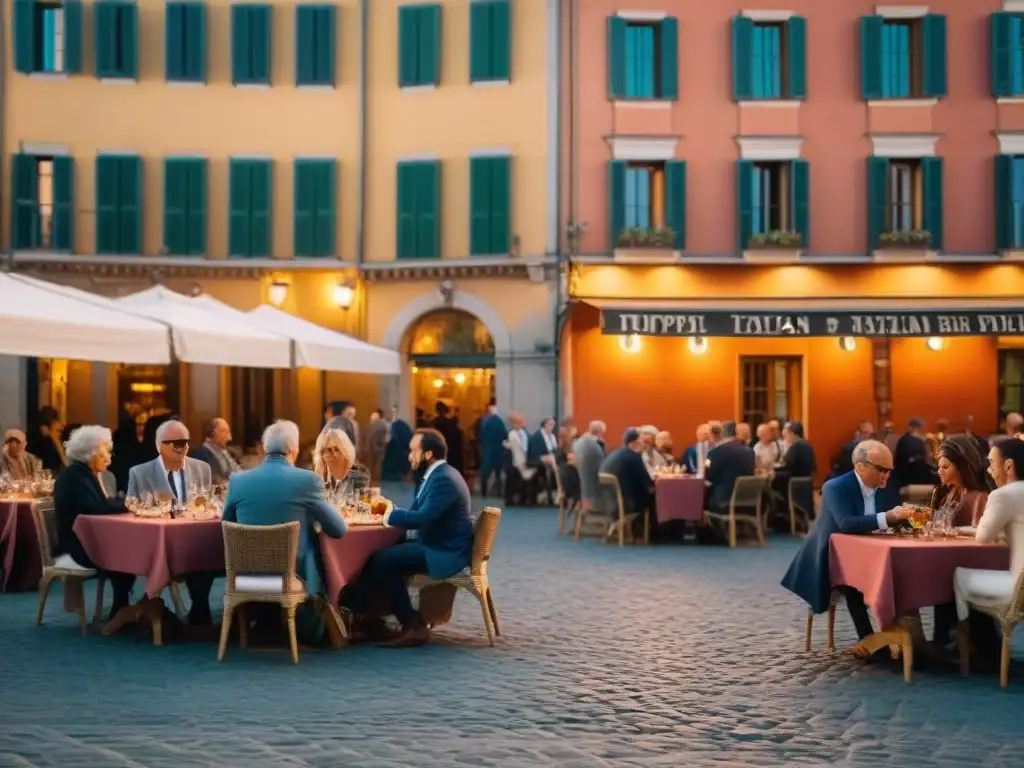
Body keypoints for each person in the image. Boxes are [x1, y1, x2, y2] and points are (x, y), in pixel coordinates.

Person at [222, 420, 348, 646]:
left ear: (264, 448)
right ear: (293, 449)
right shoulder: (307, 480)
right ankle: (312, 625)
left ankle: (261, 620)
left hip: (245, 573)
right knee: (310, 550)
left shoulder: (238, 481)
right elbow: (338, 529)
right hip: (291, 575)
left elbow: (226, 523)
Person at [345, 429, 474, 648]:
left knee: (383, 559)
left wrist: (388, 514)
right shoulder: (437, 474)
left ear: (428, 454)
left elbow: (423, 518)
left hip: (442, 550)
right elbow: (419, 514)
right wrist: (390, 510)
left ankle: (411, 624)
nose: (409, 456)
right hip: (435, 543)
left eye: (414, 451)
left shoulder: (444, 479)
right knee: (381, 555)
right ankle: (370, 616)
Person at [781, 440, 913, 647]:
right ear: (860, 466)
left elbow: (887, 519)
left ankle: (905, 637)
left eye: (889, 470)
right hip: (829, 558)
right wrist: (888, 517)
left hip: (868, 553)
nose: (887, 476)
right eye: (882, 470)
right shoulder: (834, 487)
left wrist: (907, 518)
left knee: (899, 573)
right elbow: (846, 523)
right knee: (854, 583)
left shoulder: (885, 486)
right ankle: (870, 642)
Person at [52, 426, 137, 620]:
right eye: (105, 452)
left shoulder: (86, 474)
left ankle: (122, 606)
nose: (109, 457)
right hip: (75, 547)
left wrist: (127, 503)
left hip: (88, 540)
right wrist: (130, 505)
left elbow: (104, 503)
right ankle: (120, 608)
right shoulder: (74, 477)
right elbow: (95, 508)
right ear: (91, 454)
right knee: (125, 555)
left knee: (127, 552)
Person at [954, 437, 1024, 662]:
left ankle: (964, 646)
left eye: (992, 463)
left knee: (958, 574)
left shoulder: (1003, 495)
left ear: (1009, 466)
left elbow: (983, 536)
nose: (989, 470)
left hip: (1019, 589)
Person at [929, 434, 991, 646]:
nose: (940, 471)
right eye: (939, 466)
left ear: (962, 466)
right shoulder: (946, 493)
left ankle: (947, 641)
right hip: (943, 560)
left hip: (966, 564)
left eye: (945, 467)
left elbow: (981, 534)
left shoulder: (978, 497)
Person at [126, 420, 213, 502]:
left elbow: (208, 506)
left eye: (184, 442)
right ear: (159, 446)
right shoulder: (139, 473)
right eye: (175, 443)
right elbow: (132, 508)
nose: (180, 447)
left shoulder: (203, 469)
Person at [190, 417, 240, 487]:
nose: (229, 438)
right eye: (224, 431)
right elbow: (216, 483)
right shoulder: (200, 456)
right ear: (212, 433)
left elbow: (237, 471)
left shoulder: (224, 451)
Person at [312, 424, 358, 497]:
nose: (334, 455)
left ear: (346, 452)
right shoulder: (321, 476)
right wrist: (318, 476)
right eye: (329, 450)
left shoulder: (358, 478)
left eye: (337, 449)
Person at [477, 400, 507, 496]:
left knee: (485, 472)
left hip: (487, 449)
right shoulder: (499, 421)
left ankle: (483, 492)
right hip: (498, 449)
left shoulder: (484, 422)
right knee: (498, 472)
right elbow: (504, 435)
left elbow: (479, 435)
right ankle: (499, 492)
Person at [27, 406, 66, 473]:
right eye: (58, 431)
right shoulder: (44, 442)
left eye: (61, 431)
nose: (60, 434)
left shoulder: (59, 441)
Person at [382, 406, 414, 482]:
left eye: (393, 412)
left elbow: (408, 440)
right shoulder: (383, 424)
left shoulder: (400, 425)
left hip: (397, 458)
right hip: (391, 458)